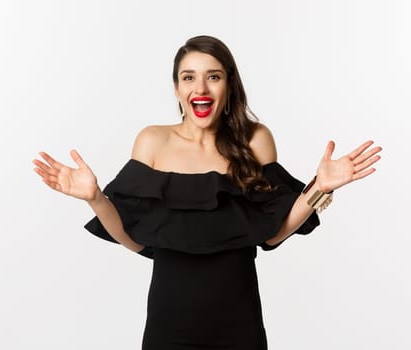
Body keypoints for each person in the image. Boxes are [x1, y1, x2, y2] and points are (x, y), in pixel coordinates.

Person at [32, 35, 382, 349]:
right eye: (189, 77)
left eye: (213, 76)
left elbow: (272, 233)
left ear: (228, 85)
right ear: (176, 88)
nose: (200, 87)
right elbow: (135, 239)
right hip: (168, 327)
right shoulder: (153, 141)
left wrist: (319, 188)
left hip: (239, 326)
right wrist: (95, 197)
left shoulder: (255, 141)